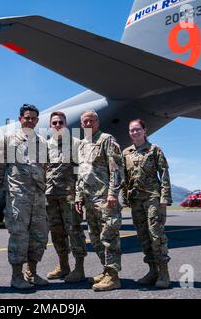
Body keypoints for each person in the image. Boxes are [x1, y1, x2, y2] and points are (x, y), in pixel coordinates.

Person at [0, 104, 49, 289]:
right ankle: (16, 277)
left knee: (38, 235)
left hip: (38, 196)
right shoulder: (8, 139)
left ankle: (32, 273)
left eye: (33, 118)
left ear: (37, 120)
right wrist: (8, 188)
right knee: (18, 234)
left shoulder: (42, 141)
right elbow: (0, 167)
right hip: (18, 195)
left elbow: (45, 168)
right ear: (20, 119)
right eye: (27, 117)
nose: (30, 121)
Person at [74, 110, 124, 292]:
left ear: (97, 122)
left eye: (91, 120)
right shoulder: (82, 144)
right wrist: (79, 197)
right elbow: (81, 174)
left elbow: (116, 169)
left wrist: (112, 193)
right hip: (88, 198)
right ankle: (106, 270)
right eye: (84, 121)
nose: (87, 124)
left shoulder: (106, 139)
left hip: (104, 197)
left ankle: (113, 276)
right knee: (95, 237)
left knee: (108, 236)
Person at [122, 119, 172, 289]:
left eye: (137, 129)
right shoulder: (126, 153)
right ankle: (152, 271)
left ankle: (164, 272)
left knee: (156, 235)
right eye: (131, 130)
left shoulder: (154, 150)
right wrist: (124, 198)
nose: (134, 133)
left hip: (152, 198)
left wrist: (164, 199)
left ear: (144, 130)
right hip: (135, 200)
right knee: (143, 236)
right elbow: (124, 178)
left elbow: (164, 174)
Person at [45, 111, 87, 283]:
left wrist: (79, 196)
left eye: (60, 122)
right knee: (56, 233)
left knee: (74, 231)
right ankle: (63, 266)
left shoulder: (77, 144)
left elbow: (82, 172)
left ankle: (79, 269)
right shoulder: (46, 146)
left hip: (70, 197)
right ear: (50, 125)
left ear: (66, 124)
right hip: (50, 196)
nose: (57, 125)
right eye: (54, 123)